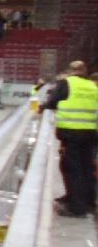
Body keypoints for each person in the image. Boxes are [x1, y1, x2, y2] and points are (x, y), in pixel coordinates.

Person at [42, 60, 97, 218]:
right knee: (86, 168)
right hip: (90, 133)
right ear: (84, 71)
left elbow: (52, 102)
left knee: (72, 168)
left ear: (71, 70)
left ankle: (76, 207)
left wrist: (42, 107)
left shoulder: (67, 83)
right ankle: (88, 202)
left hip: (71, 132)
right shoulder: (91, 86)